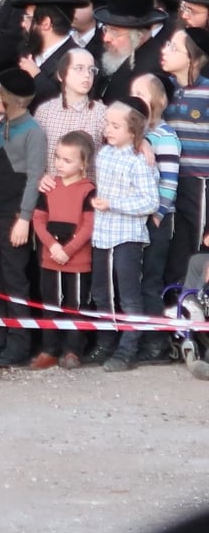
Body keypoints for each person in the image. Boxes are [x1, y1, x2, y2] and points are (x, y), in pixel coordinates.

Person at [0, 68, 47, 368]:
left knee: (14, 280)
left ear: (6, 99)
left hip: (12, 216)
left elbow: (33, 178)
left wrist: (24, 218)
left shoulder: (32, 132)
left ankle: (19, 342)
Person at [90, 98, 160, 372]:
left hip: (127, 236)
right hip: (101, 235)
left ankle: (127, 349)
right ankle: (106, 342)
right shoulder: (103, 154)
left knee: (129, 295)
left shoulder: (139, 160)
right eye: (107, 123)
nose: (108, 129)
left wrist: (113, 204)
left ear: (133, 131)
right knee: (101, 292)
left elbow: (150, 201)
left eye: (115, 125)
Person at [29, 130, 96, 370]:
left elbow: (89, 226)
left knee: (75, 307)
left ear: (83, 164)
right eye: (57, 157)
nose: (59, 163)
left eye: (67, 160)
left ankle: (73, 351)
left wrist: (68, 250)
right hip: (50, 258)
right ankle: (49, 349)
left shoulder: (88, 190)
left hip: (77, 261)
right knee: (50, 305)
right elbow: (38, 221)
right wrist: (53, 246)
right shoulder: (48, 187)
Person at [132, 72, 180, 364]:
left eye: (142, 92)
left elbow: (170, 181)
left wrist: (159, 212)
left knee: (151, 281)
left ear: (159, 101)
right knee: (132, 281)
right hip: (131, 218)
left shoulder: (166, 136)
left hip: (156, 220)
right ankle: (134, 336)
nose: (135, 97)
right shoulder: (131, 136)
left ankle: (156, 342)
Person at [160, 27, 209, 290]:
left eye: (173, 47)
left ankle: (192, 306)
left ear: (192, 57)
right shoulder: (163, 91)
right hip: (167, 183)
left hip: (199, 184)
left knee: (193, 246)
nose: (164, 51)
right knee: (171, 248)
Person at [12, 0, 86, 108]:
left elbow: (70, 106)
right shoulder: (26, 50)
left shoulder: (79, 60)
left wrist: (37, 77)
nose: (23, 24)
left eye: (27, 18)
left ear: (45, 23)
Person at [33, 48, 106, 179]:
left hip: (86, 193)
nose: (87, 75)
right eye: (79, 68)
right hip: (50, 191)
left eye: (91, 70)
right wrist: (40, 177)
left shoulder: (102, 113)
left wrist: (143, 142)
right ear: (61, 75)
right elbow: (33, 154)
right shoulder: (44, 111)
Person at [94, 0, 168, 104]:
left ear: (139, 36)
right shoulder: (117, 54)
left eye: (115, 32)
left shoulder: (153, 68)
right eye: (106, 29)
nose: (106, 38)